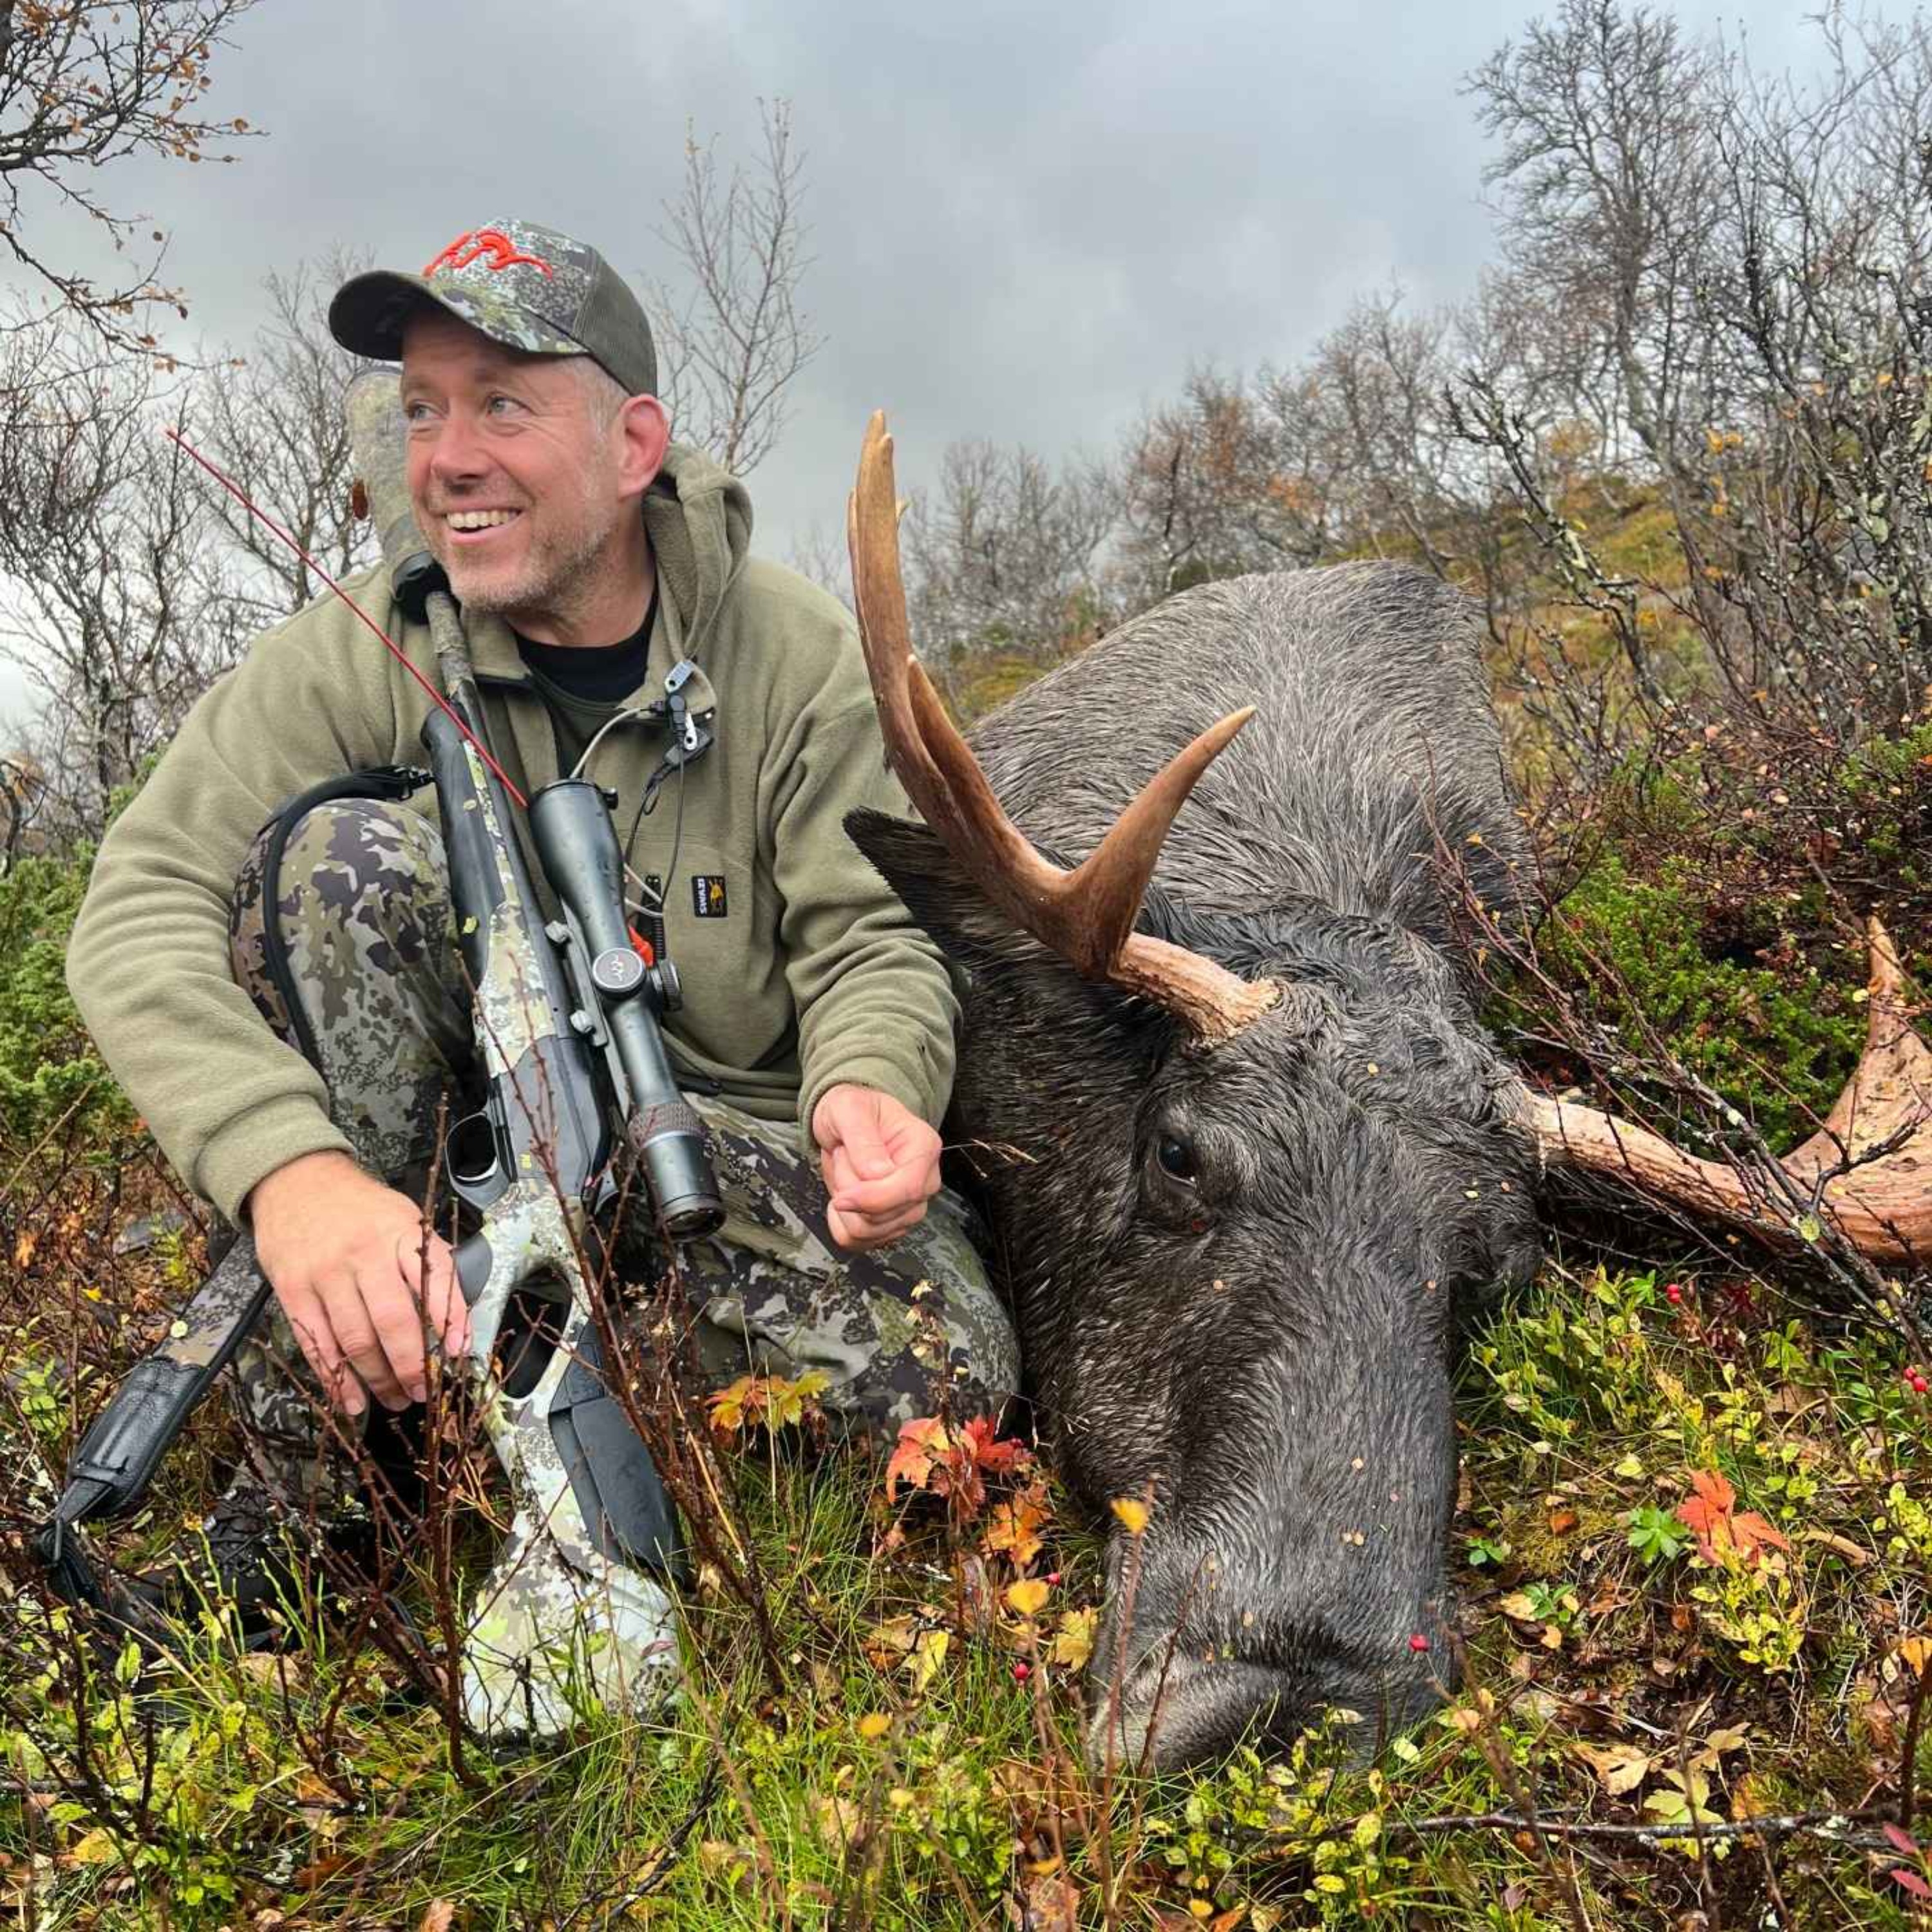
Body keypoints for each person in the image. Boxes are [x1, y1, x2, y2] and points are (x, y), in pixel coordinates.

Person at [64, 218, 1019, 1725]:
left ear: (635, 441)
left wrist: (870, 1090)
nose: (446, 455)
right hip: (464, 1176)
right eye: (424, 408)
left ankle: (507, 1404)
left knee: (947, 1391)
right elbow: (136, 904)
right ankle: (340, 1483)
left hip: (727, 1165)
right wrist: (289, 1177)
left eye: (504, 404)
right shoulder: (363, 649)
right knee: (340, 873)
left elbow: (875, 930)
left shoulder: (791, 651)